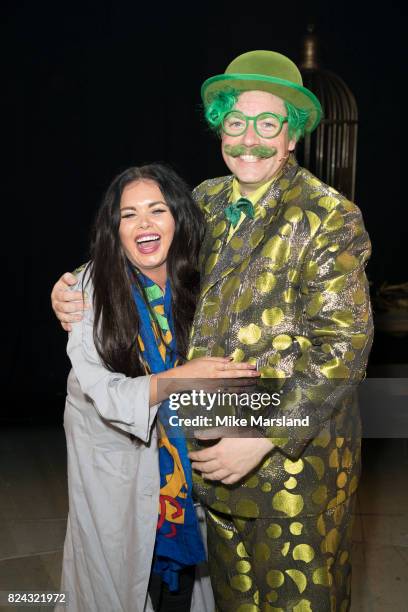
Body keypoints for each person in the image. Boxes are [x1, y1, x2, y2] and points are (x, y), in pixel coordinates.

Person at [52, 51, 373, 611]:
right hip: (213, 469)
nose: (249, 139)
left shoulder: (328, 215)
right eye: (236, 122)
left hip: (293, 473)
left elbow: (343, 349)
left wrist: (262, 436)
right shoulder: (206, 201)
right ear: (220, 128)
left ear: (292, 134)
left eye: (268, 123)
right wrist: (72, 286)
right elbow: (140, 252)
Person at [55, 162, 258, 612]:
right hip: (115, 478)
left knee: (179, 588)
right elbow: (106, 393)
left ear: (179, 218)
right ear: (115, 229)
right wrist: (183, 376)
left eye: (157, 210)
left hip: (186, 483)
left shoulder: (204, 284)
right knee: (119, 587)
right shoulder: (88, 290)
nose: (143, 223)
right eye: (128, 215)